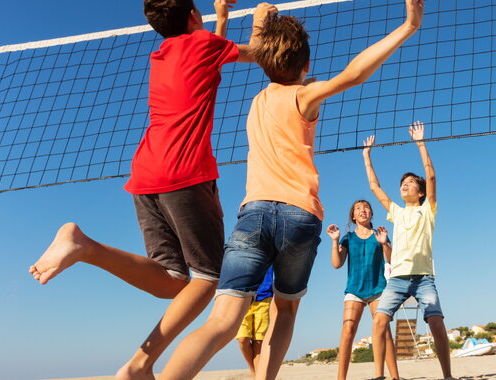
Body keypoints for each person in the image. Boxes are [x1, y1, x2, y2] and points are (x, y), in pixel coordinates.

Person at [158, 1, 424, 379]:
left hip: (253, 214)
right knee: (285, 309)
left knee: (221, 321)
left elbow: (248, 55)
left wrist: (259, 23)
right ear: (307, 66)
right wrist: (409, 25)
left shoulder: (256, 102)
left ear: (263, 62)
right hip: (299, 216)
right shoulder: (305, 96)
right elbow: (355, 73)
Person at [27, 1, 269, 379]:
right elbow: (258, 54)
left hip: (145, 174)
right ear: (193, 16)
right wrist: (260, 22)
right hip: (184, 173)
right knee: (208, 279)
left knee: (173, 279)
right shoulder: (204, 45)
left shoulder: (162, 55)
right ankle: (140, 363)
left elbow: (212, 57)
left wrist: (220, 18)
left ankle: (85, 247)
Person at [364, 121, 453, 379]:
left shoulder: (428, 210)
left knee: (436, 322)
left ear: (421, 192)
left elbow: (432, 175)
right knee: (379, 322)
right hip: (398, 279)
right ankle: (379, 375)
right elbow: (374, 188)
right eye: (402, 182)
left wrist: (420, 142)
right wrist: (367, 156)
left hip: (424, 278)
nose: (405, 184)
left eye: (411, 182)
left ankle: (447, 375)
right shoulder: (396, 213)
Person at [327, 200, 399, 380]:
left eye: (366, 207)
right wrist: (335, 241)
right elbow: (337, 264)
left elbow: (391, 260)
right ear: (353, 216)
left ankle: (394, 377)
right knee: (348, 328)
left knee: (384, 331)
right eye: (358, 208)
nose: (363, 210)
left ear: (371, 214)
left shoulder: (379, 234)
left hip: (378, 288)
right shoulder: (348, 238)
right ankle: (340, 378)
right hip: (354, 290)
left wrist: (384, 244)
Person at [235, 267, 273, 378]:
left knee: (259, 341)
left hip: (264, 297)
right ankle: (252, 370)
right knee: (242, 339)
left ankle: (257, 374)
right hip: (242, 296)